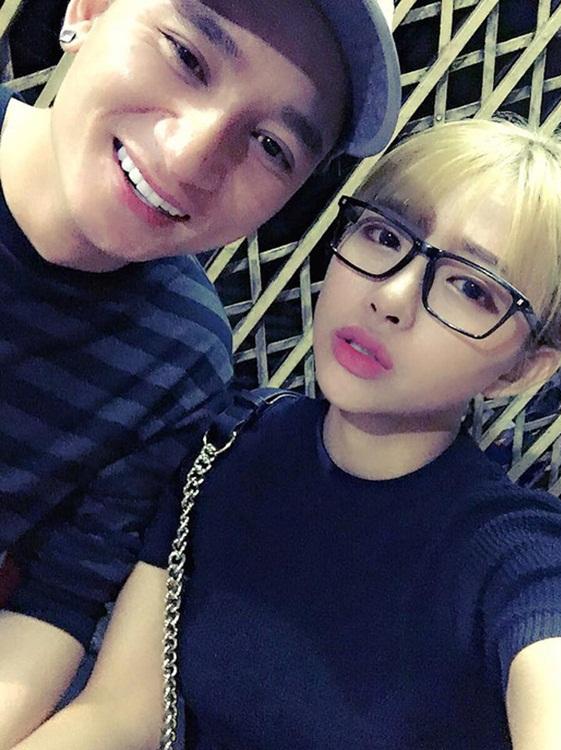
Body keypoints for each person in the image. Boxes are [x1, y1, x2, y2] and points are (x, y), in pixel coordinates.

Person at [15, 117, 561, 749]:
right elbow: (120, 712)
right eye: (385, 235)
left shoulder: (517, 556)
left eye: (470, 288)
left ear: (522, 369)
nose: (392, 295)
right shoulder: (231, 443)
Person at [0, 0, 401, 745]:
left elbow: (54, 602)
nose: (190, 157)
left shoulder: (182, 355)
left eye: (272, 146)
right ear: (89, 10)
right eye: (186, 56)